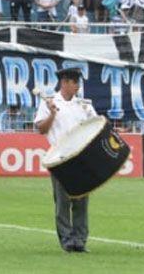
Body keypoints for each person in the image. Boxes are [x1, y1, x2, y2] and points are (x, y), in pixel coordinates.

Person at [34, 66, 98, 252]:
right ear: (64, 83)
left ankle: (80, 239)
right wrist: (53, 113)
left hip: (81, 156)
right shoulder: (49, 102)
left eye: (78, 82)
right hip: (60, 157)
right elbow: (41, 129)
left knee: (81, 201)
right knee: (62, 202)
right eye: (74, 82)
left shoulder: (84, 105)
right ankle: (66, 239)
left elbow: (97, 125)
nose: (77, 86)